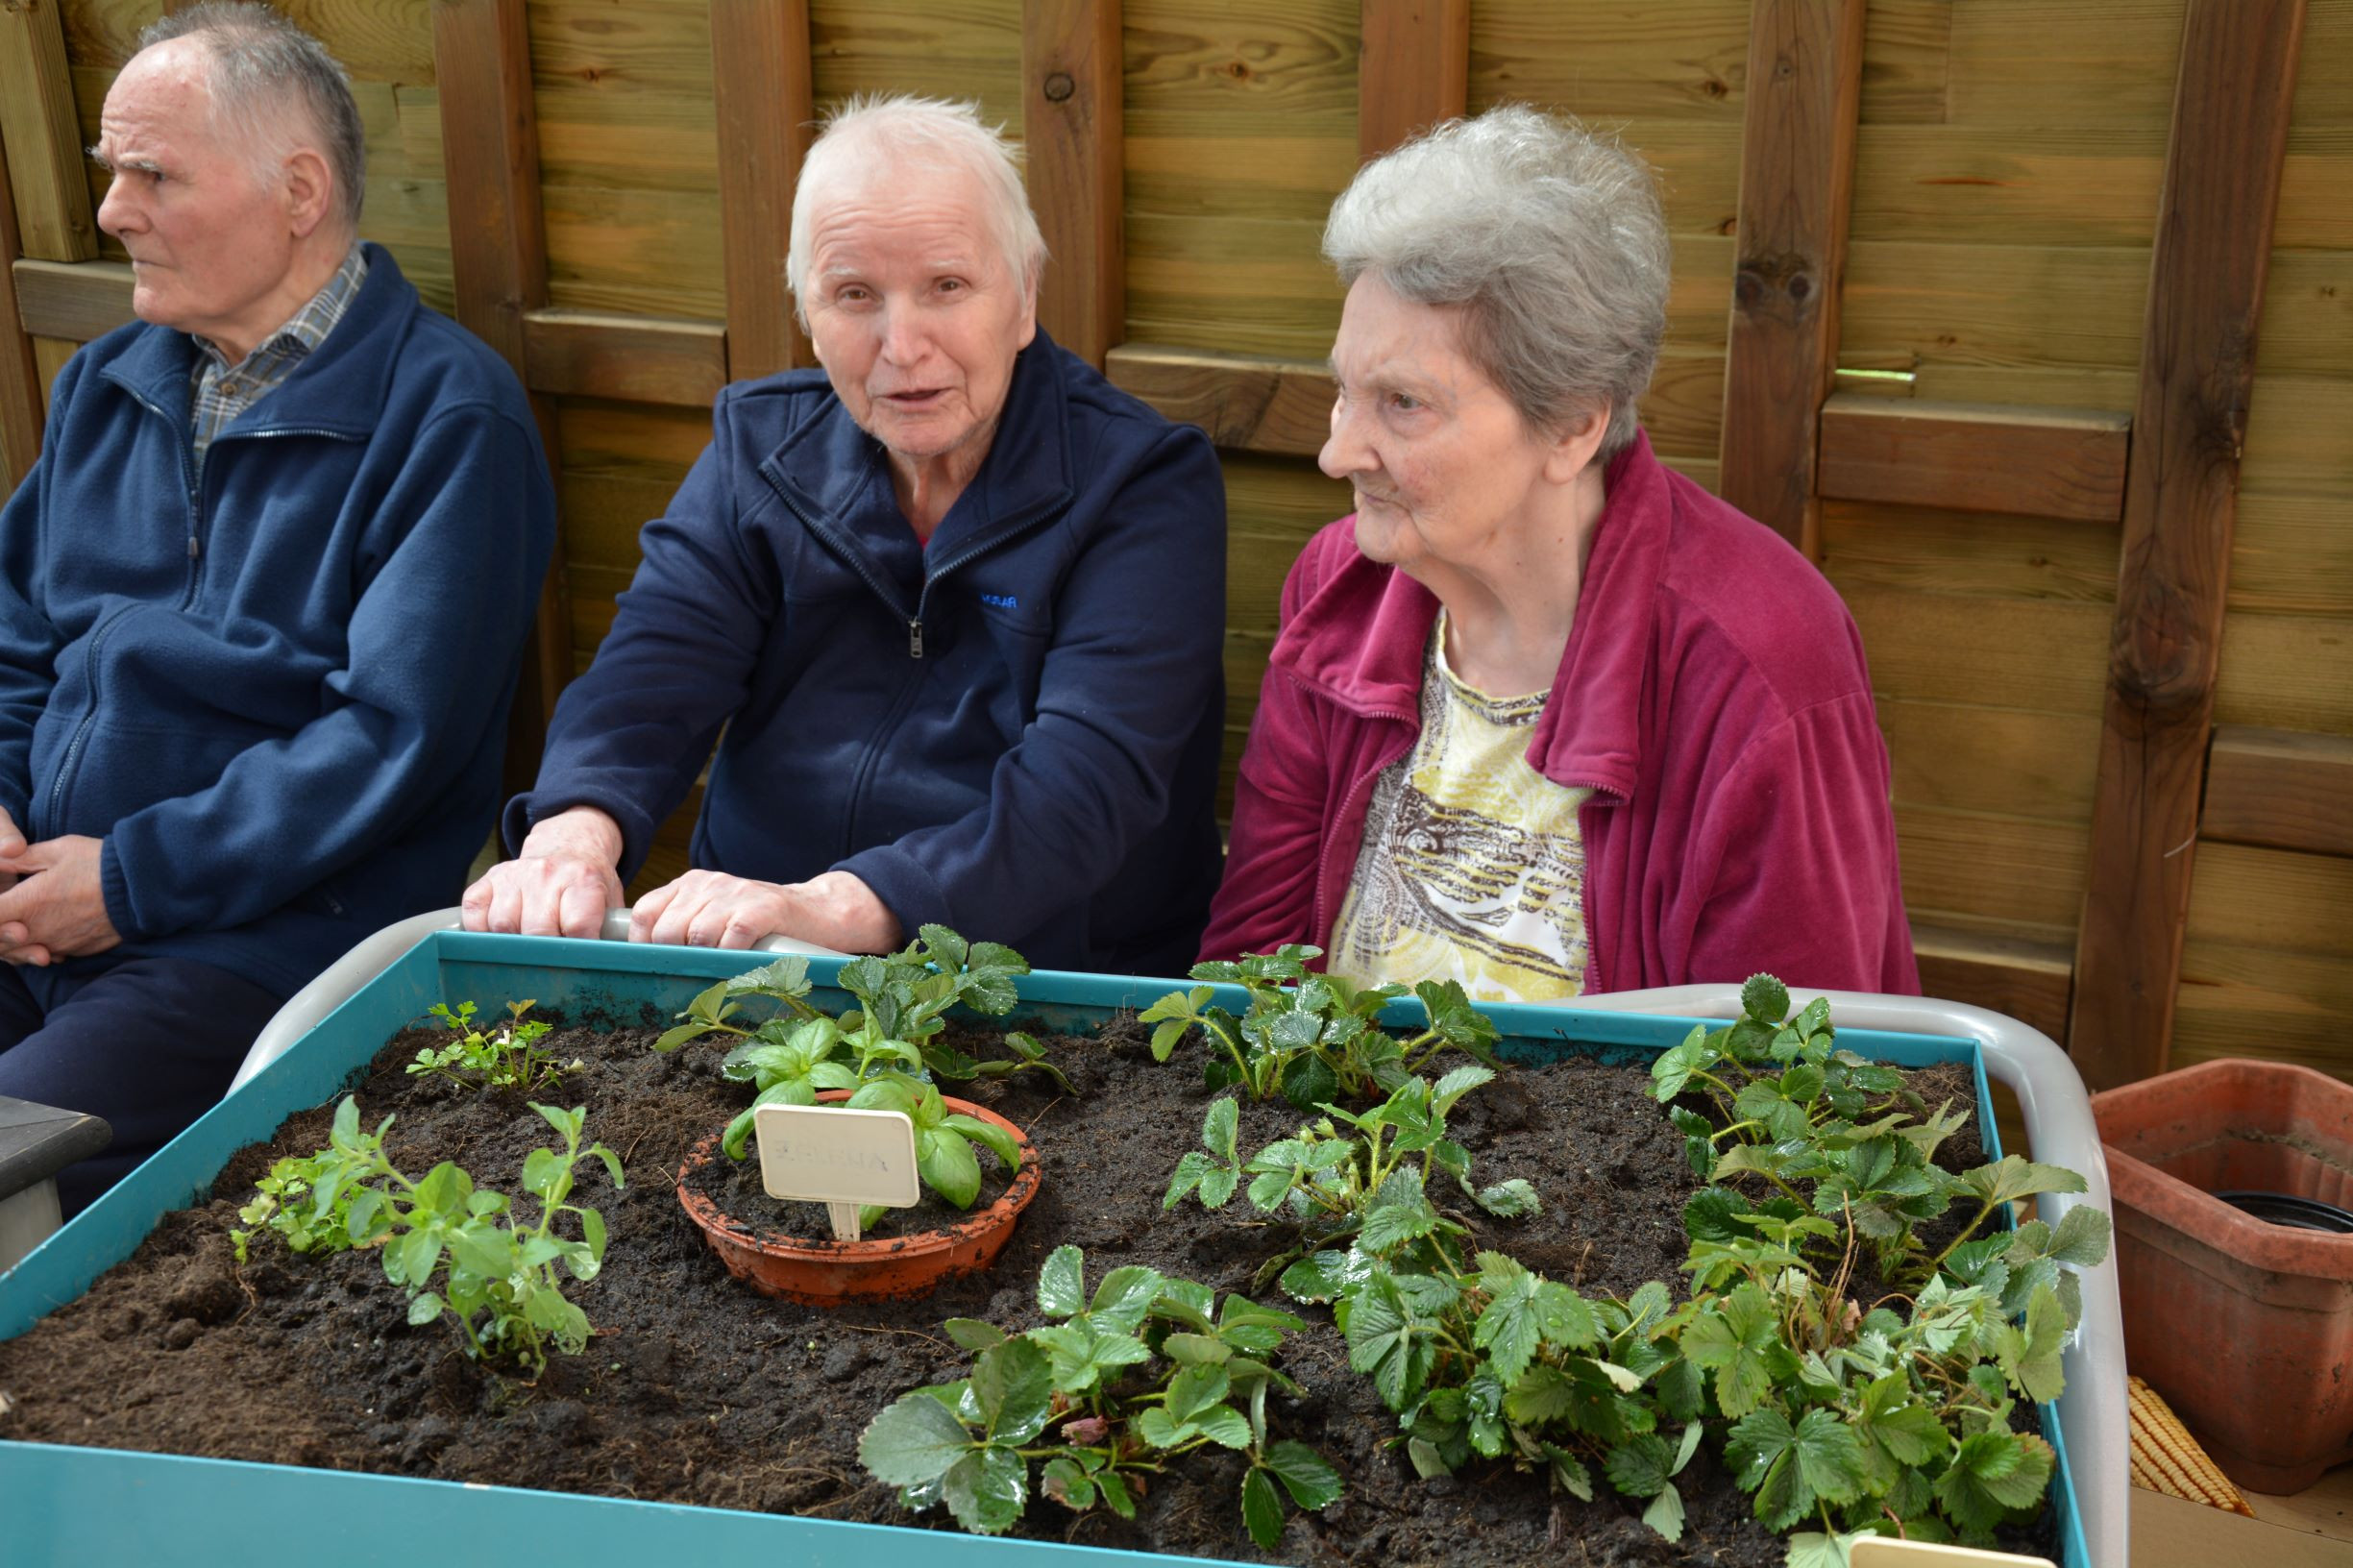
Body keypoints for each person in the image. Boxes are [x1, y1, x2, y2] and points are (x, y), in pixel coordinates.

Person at [0, 3, 557, 1213]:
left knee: (11, 1161)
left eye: (153, 174)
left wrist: (131, 883)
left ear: (297, 191)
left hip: (252, 942)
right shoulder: (107, 383)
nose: (110, 212)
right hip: (35, 902)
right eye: (111, 173)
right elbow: (15, 644)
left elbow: (389, 742)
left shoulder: (448, 418)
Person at [465, 97, 1226, 975]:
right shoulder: (761, 447)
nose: (901, 346)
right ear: (807, 313)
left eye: (947, 286)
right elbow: (651, 672)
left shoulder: (1141, 482)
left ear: (1023, 298)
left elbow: (1086, 787)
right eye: (854, 295)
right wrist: (573, 834)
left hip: (1040, 979)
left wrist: (838, 905)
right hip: (762, 955)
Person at [1198, 107, 1917, 1000]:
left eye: (1403, 405)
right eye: (1344, 391)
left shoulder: (1760, 666)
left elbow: (1788, 1084)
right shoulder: (1345, 584)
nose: (1337, 453)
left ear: (1573, 426)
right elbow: (1249, 973)